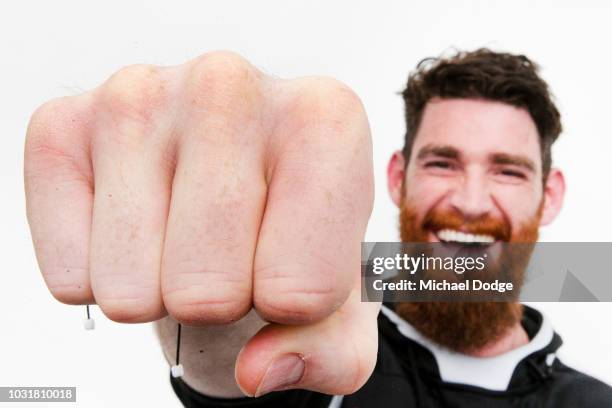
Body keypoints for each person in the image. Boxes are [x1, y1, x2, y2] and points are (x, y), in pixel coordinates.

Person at [24, 49, 612, 407]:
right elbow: (230, 375)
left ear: (550, 195)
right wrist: (231, 313)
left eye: (508, 171)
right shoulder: (331, 365)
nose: (470, 200)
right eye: (443, 162)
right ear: (398, 177)